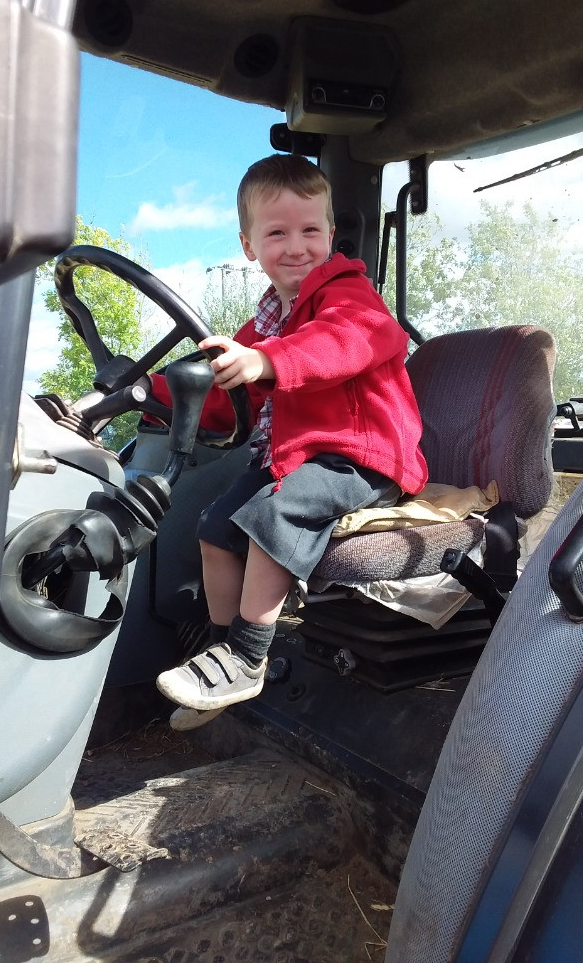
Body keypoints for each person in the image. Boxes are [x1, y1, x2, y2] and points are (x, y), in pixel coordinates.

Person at [152, 154, 428, 727]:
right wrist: (151, 392)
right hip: (300, 456)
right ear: (249, 245)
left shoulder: (350, 297)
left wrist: (265, 361)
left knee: (278, 513)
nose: (296, 246)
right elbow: (224, 395)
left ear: (331, 234)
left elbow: (340, 345)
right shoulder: (264, 325)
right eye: (277, 232)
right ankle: (224, 655)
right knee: (215, 528)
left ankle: (248, 658)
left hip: (363, 455)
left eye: (310, 230)